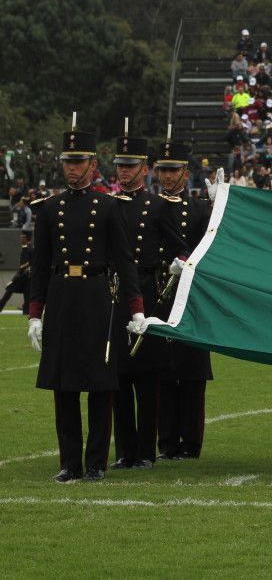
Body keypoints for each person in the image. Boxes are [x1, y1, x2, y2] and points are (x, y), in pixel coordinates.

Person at [27, 127, 145, 483]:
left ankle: (95, 462)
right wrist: (35, 314)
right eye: (68, 162)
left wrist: (136, 307)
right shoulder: (49, 209)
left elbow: (125, 261)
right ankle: (69, 463)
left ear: (93, 164)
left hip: (96, 296)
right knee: (64, 386)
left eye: (79, 162)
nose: (72, 168)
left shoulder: (109, 207)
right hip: (63, 296)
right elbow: (41, 264)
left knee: (99, 384)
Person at [109, 134, 187, 470]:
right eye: (120, 166)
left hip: (147, 291)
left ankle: (144, 451)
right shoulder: (108, 205)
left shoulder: (158, 206)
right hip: (113, 294)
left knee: (147, 376)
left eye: (130, 166)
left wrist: (177, 262)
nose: (124, 172)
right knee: (117, 376)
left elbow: (181, 247)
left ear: (145, 169)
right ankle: (124, 450)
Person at [154, 139, 214, 461]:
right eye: (162, 170)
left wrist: (222, 206)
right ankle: (167, 443)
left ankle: (190, 443)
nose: (167, 176)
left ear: (185, 173)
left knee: (191, 373)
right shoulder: (152, 208)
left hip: (191, 298)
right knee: (164, 372)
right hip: (161, 294)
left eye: (173, 170)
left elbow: (212, 247)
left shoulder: (200, 209)